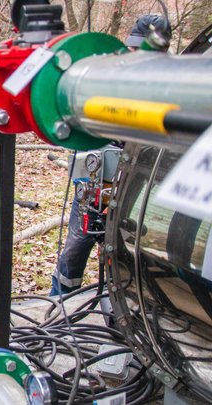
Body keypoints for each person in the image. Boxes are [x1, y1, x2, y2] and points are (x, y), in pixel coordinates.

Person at [51, 14, 170, 295]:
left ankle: (121, 309)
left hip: (137, 187)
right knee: (75, 248)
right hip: (95, 181)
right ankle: (59, 303)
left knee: (125, 253)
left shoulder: (169, 88)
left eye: (143, 51)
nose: (135, 56)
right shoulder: (110, 77)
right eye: (132, 49)